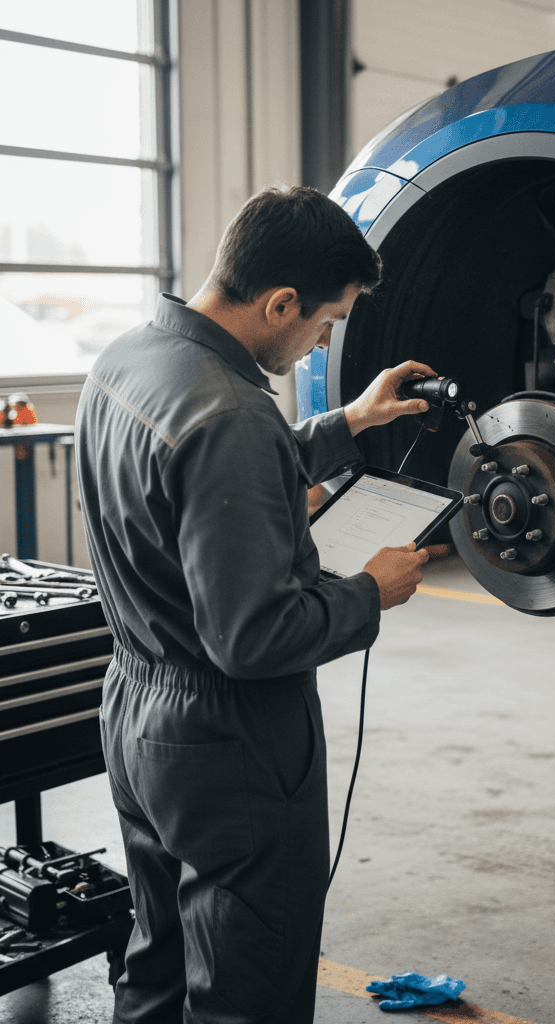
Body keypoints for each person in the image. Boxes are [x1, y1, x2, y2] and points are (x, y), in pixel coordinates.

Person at [75, 185, 445, 1024]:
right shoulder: (233, 411)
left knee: (158, 961)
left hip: (137, 710)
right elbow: (254, 637)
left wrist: (348, 421)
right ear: (280, 301)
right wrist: (368, 593)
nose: (322, 340)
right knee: (249, 991)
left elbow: (206, 479)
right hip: (229, 739)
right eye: (325, 322)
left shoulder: (129, 359)